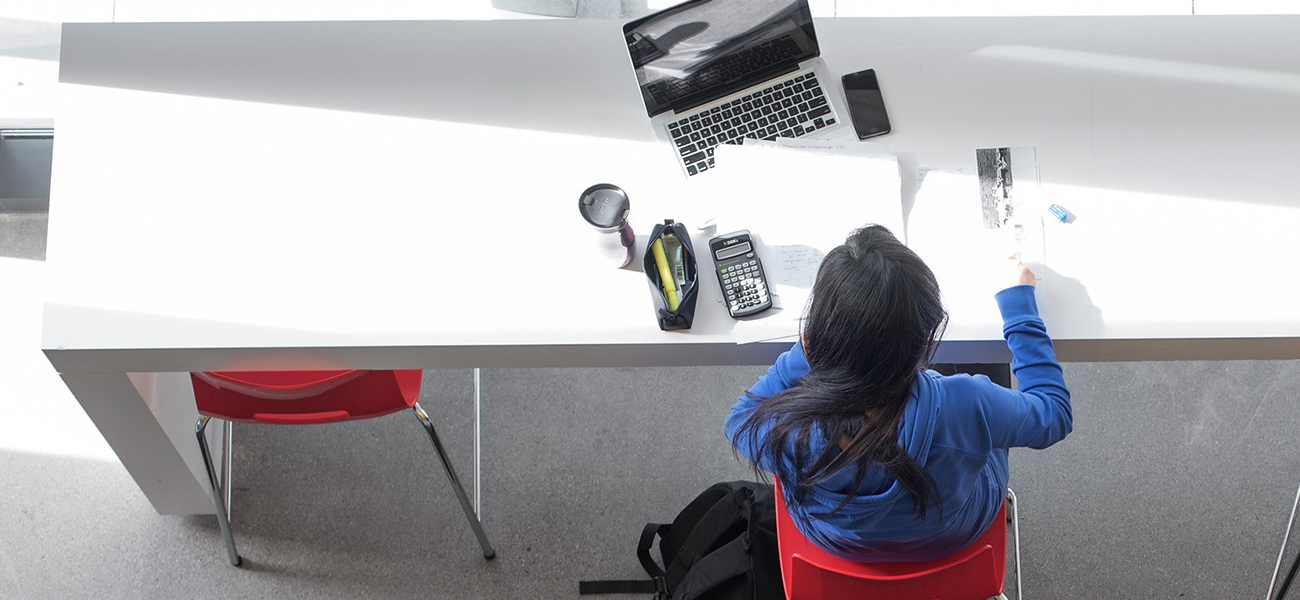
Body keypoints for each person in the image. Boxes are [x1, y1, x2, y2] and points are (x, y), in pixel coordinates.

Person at [725, 224, 1071, 563]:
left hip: (838, 544)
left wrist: (808, 355)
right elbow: (1054, 413)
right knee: (990, 375)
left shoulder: (789, 435)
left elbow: (737, 420)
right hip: (954, 532)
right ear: (925, 342)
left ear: (815, 337)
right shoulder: (965, 403)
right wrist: (1020, 309)